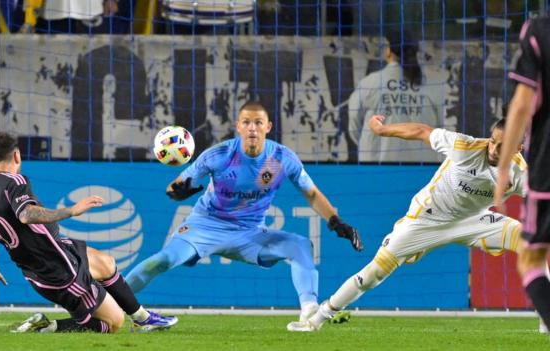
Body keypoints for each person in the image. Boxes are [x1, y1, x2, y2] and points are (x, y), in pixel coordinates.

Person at [125, 101, 363, 325]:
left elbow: (311, 194)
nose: (252, 128)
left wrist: (336, 221)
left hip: (249, 234)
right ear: (238, 126)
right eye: (247, 122)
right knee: (163, 260)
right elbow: (175, 185)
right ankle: (109, 299)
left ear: (268, 127)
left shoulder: (280, 159)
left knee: (300, 245)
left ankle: (310, 311)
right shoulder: (219, 155)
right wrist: (178, 192)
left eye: (258, 122)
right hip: (205, 227)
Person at [288, 115, 526, 332]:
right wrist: (382, 131)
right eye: (493, 141)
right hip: (426, 219)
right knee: (374, 274)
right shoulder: (465, 147)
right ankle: (317, 319)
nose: (493, 149)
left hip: (473, 220)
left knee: (531, 242)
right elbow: (421, 131)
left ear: (518, 148)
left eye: (503, 146)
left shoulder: (520, 174)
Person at [0, 131, 177, 333]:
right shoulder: (14, 181)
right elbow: (26, 214)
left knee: (106, 263)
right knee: (114, 323)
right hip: (60, 271)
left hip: (51, 257)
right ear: (17, 156)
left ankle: (143, 318)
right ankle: (46, 327)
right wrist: (72, 210)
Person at [494, 16, 550, 335]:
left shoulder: (538, 31)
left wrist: (504, 168)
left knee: (530, 260)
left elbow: (520, 106)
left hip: (546, 170)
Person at [347, 29, 443, 163]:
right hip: (422, 168)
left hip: (376, 167)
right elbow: (442, 127)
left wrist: (368, 146)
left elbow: (354, 123)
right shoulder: (432, 85)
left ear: (388, 51)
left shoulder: (369, 83)